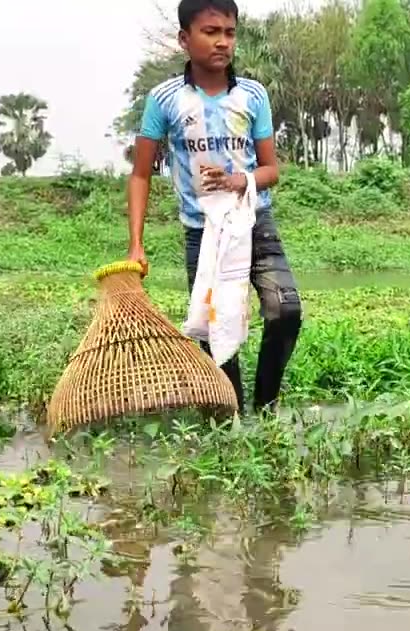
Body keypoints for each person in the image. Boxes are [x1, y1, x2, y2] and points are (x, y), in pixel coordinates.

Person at [125, 0, 302, 416]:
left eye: (230, 32)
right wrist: (136, 244)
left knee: (285, 310)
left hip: (254, 223)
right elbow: (140, 174)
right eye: (211, 32)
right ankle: (229, 418)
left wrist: (243, 180)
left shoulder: (253, 95)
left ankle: (266, 408)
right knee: (215, 333)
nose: (223, 42)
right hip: (202, 232)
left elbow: (272, 170)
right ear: (185, 39)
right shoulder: (164, 99)